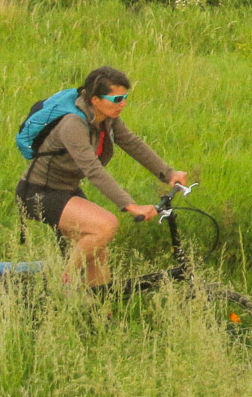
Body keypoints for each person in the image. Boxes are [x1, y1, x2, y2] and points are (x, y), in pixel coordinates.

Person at [15, 66, 187, 287]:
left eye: (125, 97)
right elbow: (93, 170)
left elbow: (132, 144)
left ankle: (98, 311)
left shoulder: (106, 118)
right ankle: (63, 282)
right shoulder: (73, 124)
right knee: (105, 226)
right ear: (95, 99)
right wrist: (130, 206)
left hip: (66, 189)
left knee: (98, 253)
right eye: (117, 99)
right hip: (38, 193)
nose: (123, 103)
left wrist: (169, 174)